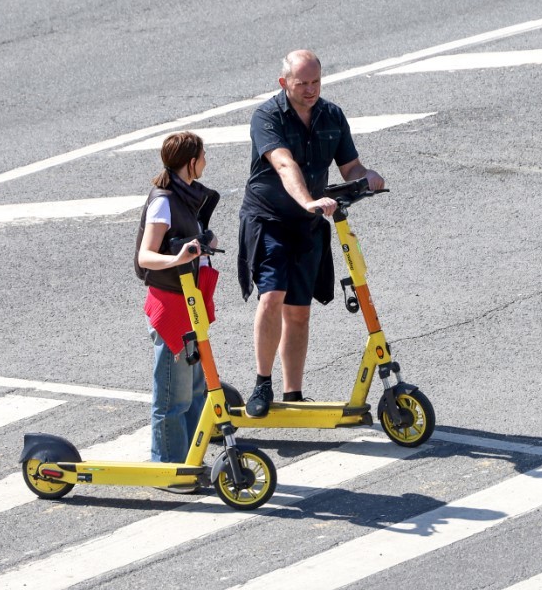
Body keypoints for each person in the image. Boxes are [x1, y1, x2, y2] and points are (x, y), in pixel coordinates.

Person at [237, 50, 385, 417]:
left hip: (308, 223)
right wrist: (307, 200)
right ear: (283, 82)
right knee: (272, 296)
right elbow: (284, 164)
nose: (310, 89)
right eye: (302, 83)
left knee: (299, 312)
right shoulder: (267, 116)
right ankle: (262, 383)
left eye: (315, 81)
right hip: (269, 219)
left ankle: (293, 393)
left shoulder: (331, 115)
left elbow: (350, 165)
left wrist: (366, 178)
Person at [135, 131, 220, 492]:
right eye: (203, 156)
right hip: (171, 306)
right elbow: (145, 256)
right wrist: (178, 258)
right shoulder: (165, 200)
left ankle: (190, 462)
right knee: (173, 396)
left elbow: (189, 240)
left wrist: (205, 241)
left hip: (188, 300)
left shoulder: (186, 195)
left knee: (196, 391)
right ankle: (169, 469)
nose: (206, 161)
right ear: (191, 162)